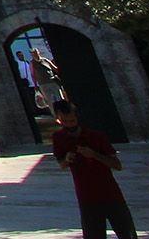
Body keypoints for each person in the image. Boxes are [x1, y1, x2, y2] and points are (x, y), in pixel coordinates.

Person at [51, 98, 135, 239]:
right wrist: (67, 159)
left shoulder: (96, 136)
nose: (69, 125)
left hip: (110, 194)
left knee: (126, 233)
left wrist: (94, 154)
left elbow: (117, 165)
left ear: (77, 118)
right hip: (86, 197)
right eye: (64, 121)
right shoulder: (59, 138)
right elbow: (61, 165)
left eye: (72, 121)